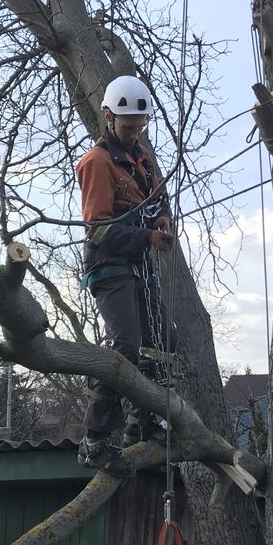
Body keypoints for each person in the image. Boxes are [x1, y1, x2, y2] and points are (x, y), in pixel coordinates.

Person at [75, 75, 178, 477]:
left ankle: (143, 423)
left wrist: (164, 220)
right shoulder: (96, 163)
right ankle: (96, 440)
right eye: (128, 126)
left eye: (140, 126)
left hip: (139, 264)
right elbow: (98, 228)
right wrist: (147, 236)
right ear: (108, 118)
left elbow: (159, 199)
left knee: (164, 342)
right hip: (110, 265)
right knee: (127, 345)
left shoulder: (143, 157)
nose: (135, 133)